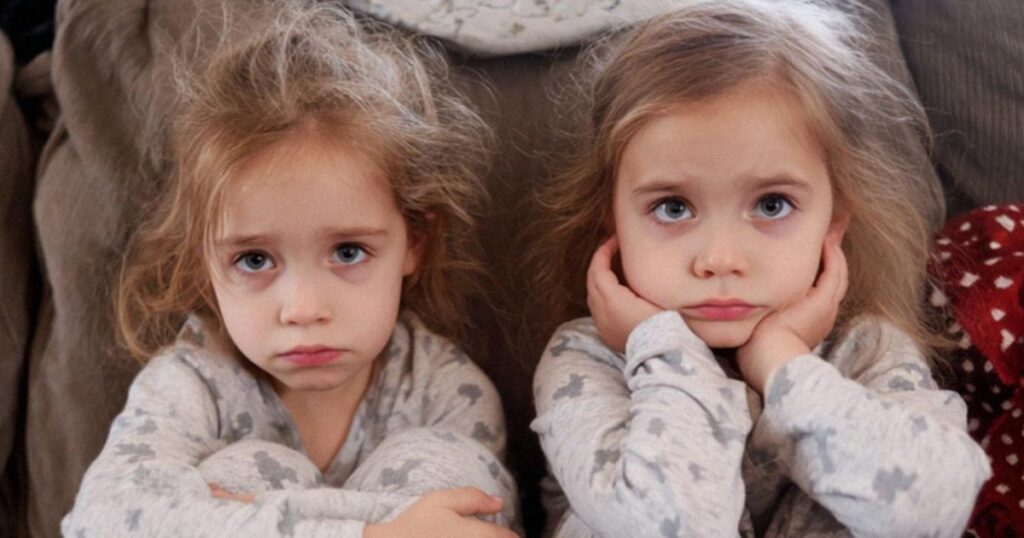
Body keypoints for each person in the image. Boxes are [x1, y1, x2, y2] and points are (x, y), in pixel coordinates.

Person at [529, 0, 991, 536]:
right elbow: (669, 524)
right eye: (673, 208)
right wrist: (665, 353)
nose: (720, 259)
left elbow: (932, 510)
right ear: (612, 221)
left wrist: (781, 363)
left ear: (833, 221)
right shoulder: (588, 358)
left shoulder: (865, 349)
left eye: (772, 205)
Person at [61, 2, 517, 536]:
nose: (303, 309)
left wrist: (230, 520)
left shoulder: (444, 390)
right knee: (250, 467)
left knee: (438, 461)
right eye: (254, 260)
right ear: (203, 262)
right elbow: (98, 521)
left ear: (414, 242)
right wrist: (372, 533)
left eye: (348, 252)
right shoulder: (195, 384)